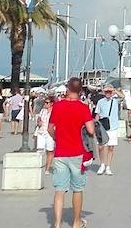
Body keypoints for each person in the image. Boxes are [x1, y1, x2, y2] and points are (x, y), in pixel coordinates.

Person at [48, 78, 96, 228]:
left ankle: (57, 224)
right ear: (81, 90)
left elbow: (50, 128)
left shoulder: (57, 106)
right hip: (77, 154)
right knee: (77, 189)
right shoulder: (83, 108)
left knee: (59, 190)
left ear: (68, 88)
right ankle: (76, 222)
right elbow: (91, 130)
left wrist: (57, 139)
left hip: (60, 153)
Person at [94, 85, 123, 175]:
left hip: (113, 127)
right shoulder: (100, 102)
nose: (108, 93)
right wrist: (96, 125)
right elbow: (97, 114)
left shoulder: (115, 101)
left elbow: (122, 96)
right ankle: (102, 164)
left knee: (111, 147)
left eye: (109, 92)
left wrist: (114, 90)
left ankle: (108, 166)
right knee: (101, 147)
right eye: (106, 92)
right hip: (103, 127)